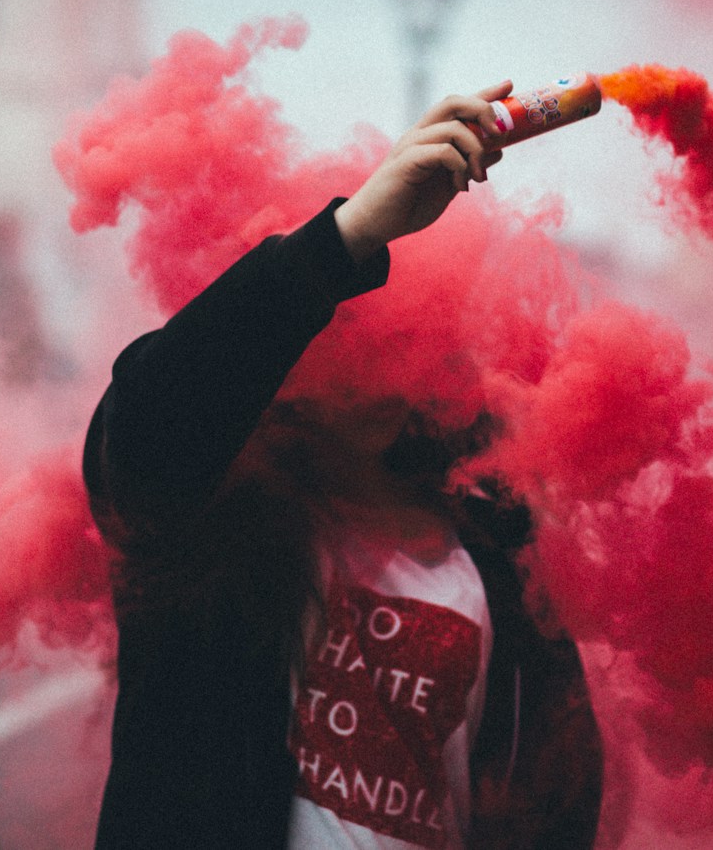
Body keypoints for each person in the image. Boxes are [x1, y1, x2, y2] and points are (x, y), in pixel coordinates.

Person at [83, 81, 604, 849]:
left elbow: (555, 793)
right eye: (346, 333)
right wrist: (348, 235)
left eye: (406, 339)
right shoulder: (211, 519)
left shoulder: (498, 552)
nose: (378, 371)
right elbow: (151, 425)